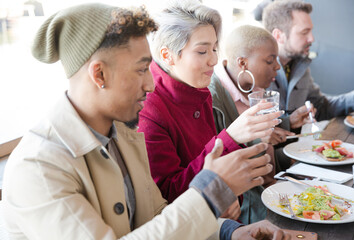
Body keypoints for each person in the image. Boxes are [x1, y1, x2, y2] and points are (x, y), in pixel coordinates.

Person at [2, 3, 291, 240]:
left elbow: (157, 217)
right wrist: (210, 193)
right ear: (99, 75)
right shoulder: (39, 167)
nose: (152, 83)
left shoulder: (124, 139)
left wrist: (230, 232)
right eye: (142, 70)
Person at [138, 0, 283, 225]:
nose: (214, 60)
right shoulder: (150, 109)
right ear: (167, 56)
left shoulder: (198, 88)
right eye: (202, 51)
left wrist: (230, 196)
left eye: (215, 48)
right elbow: (168, 193)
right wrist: (231, 137)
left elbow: (217, 168)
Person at [209, 25, 311, 172]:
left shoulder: (257, 88)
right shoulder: (213, 99)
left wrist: (289, 122)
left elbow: (266, 149)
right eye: (270, 61)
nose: (277, 67)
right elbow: (216, 159)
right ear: (243, 63)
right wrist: (257, 140)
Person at [262, 0, 354, 120]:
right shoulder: (256, 72)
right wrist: (288, 122)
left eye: (310, 31)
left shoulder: (300, 65)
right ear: (278, 36)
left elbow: (322, 107)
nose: (312, 38)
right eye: (304, 32)